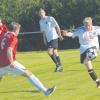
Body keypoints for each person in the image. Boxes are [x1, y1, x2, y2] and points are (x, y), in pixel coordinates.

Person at [0, 22, 56, 96]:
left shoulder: (4, 35)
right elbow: (9, 50)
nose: (19, 31)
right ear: (15, 29)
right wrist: (11, 62)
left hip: (1, 63)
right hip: (9, 63)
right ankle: (46, 91)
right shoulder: (13, 37)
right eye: (18, 29)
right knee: (28, 74)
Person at [62, 17, 100, 88]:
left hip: (93, 47)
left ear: (91, 23)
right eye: (86, 25)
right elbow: (72, 34)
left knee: (92, 52)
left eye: (89, 25)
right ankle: (98, 81)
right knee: (88, 66)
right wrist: (66, 34)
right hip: (83, 49)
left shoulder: (97, 29)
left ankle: (93, 54)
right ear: (83, 24)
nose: (87, 26)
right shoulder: (80, 30)